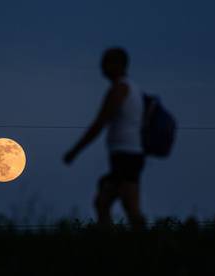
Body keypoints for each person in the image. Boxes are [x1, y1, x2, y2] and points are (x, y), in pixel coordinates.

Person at [63, 47, 146, 230]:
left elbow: (100, 123)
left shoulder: (120, 89)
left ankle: (146, 249)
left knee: (123, 205)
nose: (103, 67)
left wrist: (75, 151)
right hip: (126, 156)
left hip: (127, 156)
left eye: (107, 62)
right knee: (106, 202)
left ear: (119, 64)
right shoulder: (132, 89)